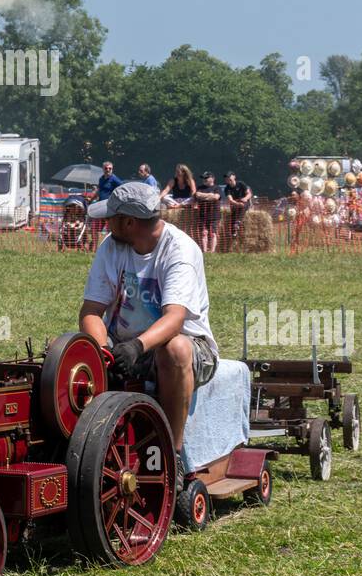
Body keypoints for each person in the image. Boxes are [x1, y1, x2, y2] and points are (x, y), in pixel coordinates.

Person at [79, 181, 219, 495]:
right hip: (125, 346)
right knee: (69, 351)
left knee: (175, 349)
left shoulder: (180, 250)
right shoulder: (110, 246)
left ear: (128, 222)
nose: (105, 223)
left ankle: (174, 454)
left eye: (111, 217)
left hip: (189, 347)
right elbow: (91, 311)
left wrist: (137, 346)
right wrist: (103, 351)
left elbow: (175, 319)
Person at [194, 171, 222, 253]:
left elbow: (216, 197)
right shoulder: (200, 187)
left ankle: (212, 251)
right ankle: (205, 251)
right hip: (203, 214)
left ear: (212, 178)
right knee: (204, 233)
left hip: (214, 214)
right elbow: (197, 195)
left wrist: (203, 197)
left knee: (213, 233)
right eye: (203, 178)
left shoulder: (217, 188)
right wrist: (210, 195)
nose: (204, 179)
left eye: (206, 178)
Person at [224, 171, 252, 244]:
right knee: (233, 216)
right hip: (235, 203)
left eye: (229, 176)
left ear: (234, 177)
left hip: (244, 201)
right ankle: (233, 234)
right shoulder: (227, 188)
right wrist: (237, 204)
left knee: (244, 206)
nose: (228, 178)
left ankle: (238, 222)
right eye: (226, 177)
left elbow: (249, 194)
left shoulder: (241, 184)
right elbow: (230, 199)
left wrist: (245, 198)